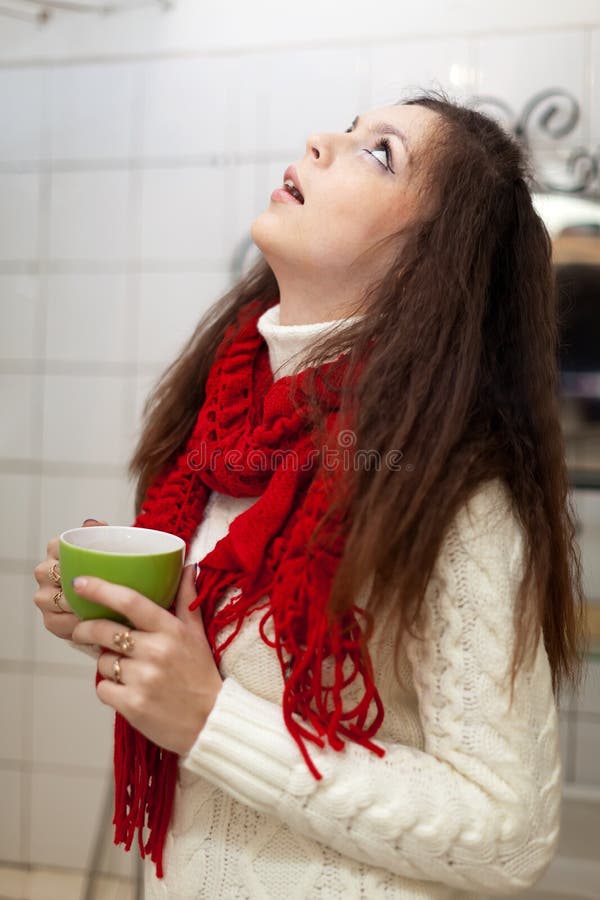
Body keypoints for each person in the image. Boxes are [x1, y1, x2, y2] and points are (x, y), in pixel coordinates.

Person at [33, 88, 586, 899]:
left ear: (431, 258)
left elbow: (507, 835)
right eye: (351, 126)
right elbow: (209, 679)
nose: (322, 140)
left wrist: (212, 721)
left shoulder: (456, 491)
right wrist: (130, 632)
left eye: (379, 152)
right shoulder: (222, 430)